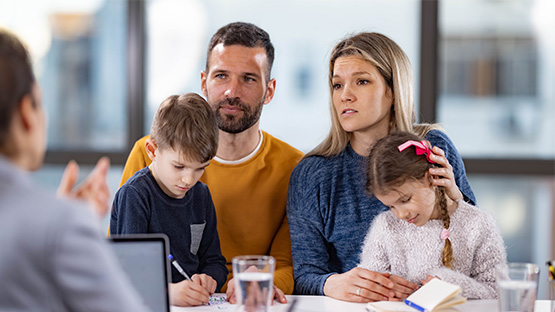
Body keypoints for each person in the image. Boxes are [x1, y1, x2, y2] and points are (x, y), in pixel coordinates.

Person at [117, 22, 302, 302]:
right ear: (204, 82)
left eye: (249, 79)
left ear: (270, 90)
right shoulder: (147, 153)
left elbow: (287, 264)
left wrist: (254, 284)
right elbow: (121, 258)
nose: (231, 91)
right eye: (221, 76)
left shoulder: (295, 169)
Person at [287, 32, 477, 302]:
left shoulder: (433, 148)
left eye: (361, 82)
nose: (345, 96)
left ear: (392, 91)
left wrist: (454, 200)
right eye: (337, 85)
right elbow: (306, 273)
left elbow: (476, 254)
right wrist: (333, 283)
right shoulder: (313, 174)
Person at [0, 28, 148, 311]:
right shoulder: (61, 225)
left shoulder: (57, 223)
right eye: (40, 102)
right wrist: (66, 225)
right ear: (26, 113)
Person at [111, 93, 228, 306]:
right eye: (179, 166)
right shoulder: (135, 195)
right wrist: (167, 293)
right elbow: (128, 273)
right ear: (152, 150)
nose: (189, 179)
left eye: (200, 168)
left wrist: (209, 278)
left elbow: (215, 261)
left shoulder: (201, 196)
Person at [359, 131, 506, 299]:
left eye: (405, 200)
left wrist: (452, 285)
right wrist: (385, 287)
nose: (400, 214)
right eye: (391, 206)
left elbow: (497, 293)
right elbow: (369, 282)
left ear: (431, 178)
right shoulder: (385, 226)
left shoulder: (479, 224)